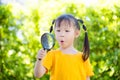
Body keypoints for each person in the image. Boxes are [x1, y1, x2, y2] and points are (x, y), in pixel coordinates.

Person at [34, 14, 94, 80]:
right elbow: (38, 74)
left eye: (67, 31)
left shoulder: (83, 57)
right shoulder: (52, 54)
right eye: (58, 30)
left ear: (76, 33)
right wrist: (39, 59)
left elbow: (87, 78)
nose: (61, 34)